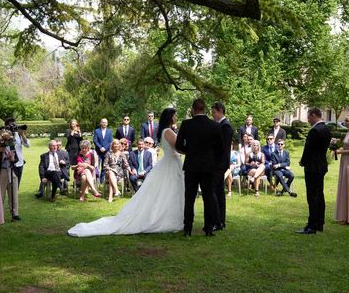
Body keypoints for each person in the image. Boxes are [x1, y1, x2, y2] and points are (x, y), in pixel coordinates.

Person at [68, 107, 183, 237]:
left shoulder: (164, 130)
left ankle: (169, 214)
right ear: (170, 117)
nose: (176, 117)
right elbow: (179, 147)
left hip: (170, 162)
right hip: (171, 162)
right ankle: (168, 218)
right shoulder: (168, 131)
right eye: (175, 115)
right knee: (171, 190)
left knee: (169, 191)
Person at [175, 99, 223, 237]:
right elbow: (220, 148)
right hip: (208, 166)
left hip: (191, 165)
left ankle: (188, 228)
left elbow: (178, 145)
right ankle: (208, 228)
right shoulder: (214, 125)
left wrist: (189, 150)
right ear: (204, 109)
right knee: (208, 197)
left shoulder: (186, 124)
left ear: (193, 109)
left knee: (189, 198)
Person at [298, 108, 332, 234]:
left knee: (312, 196)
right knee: (320, 195)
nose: (307, 120)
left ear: (313, 115)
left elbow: (309, 149)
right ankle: (319, 223)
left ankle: (312, 225)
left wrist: (302, 161)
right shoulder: (326, 129)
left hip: (312, 167)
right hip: (321, 166)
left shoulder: (315, 130)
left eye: (308, 117)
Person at [211, 101, 234, 230]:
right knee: (219, 192)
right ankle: (220, 221)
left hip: (218, 164)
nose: (213, 115)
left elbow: (222, 148)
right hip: (219, 164)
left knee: (214, 192)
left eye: (214, 112)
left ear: (220, 111)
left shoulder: (225, 127)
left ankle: (217, 220)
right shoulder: (221, 125)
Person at [4, 117, 30, 187]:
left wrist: (22, 134)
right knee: (8, 185)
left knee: (16, 184)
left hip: (19, 163)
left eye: (14, 124)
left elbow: (27, 145)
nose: (13, 126)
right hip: (8, 163)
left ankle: (15, 197)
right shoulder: (3, 135)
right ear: (7, 127)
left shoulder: (17, 134)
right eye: (11, 125)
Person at [0, 146, 20, 220]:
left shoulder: (12, 146)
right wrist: (5, 157)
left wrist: (13, 159)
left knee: (14, 192)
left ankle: (15, 213)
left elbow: (17, 159)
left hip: (12, 171)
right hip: (2, 171)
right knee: (1, 193)